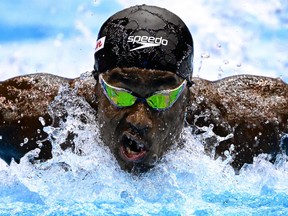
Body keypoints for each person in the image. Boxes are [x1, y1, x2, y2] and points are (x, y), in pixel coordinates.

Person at [0, 5, 287, 173]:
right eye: (121, 94)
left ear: (188, 92)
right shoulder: (37, 120)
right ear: (96, 86)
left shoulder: (248, 125)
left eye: (161, 98)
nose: (139, 119)